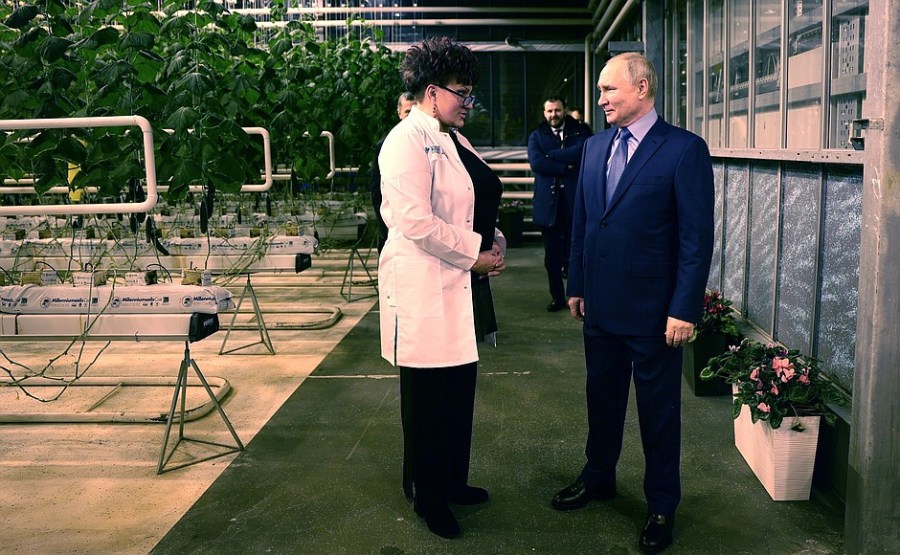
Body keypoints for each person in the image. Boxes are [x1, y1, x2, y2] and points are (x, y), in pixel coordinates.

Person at [554, 52, 714, 554]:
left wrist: (684, 308)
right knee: (601, 402)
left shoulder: (683, 150)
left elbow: (696, 239)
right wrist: (576, 283)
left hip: (654, 315)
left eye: (609, 90)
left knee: (657, 414)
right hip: (600, 308)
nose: (600, 99)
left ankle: (662, 504)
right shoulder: (595, 146)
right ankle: (598, 477)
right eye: (601, 91)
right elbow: (583, 222)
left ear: (642, 88)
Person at [377, 36, 507, 540]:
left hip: (460, 284)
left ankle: (452, 481)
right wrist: (475, 253)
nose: (468, 103)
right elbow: (415, 221)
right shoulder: (405, 141)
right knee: (428, 402)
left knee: (458, 392)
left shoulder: (453, 138)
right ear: (432, 92)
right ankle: (427, 496)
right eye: (461, 92)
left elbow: (471, 201)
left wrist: (493, 240)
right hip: (426, 288)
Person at [527, 97, 592, 312]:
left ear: (564, 110)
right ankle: (557, 297)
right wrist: (567, 167)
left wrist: (552, 155)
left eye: (557, 110)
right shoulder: (537, 135)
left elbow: (583, 153)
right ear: (544, 113)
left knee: (576, 252)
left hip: (575, 202)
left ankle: (577, 295)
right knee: (552, 256)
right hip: (549, 204)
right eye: (549, 111)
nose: (553, 115)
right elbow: (537, 163)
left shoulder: (581, 131)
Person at [370, 92, 416, 252]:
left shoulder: (433, 143)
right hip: (392, 229)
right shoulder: (385, 145)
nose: (412, 117)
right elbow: (377, 192)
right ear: (399, 113)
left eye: (415, 112)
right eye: (408, 112)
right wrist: (386, 229)